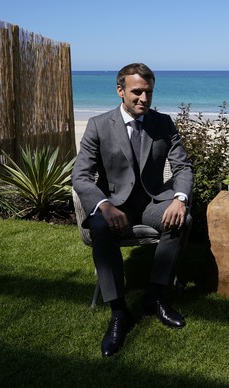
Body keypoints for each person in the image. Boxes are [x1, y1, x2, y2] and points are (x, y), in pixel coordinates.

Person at [71, 63, 194, 357]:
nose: (144, 99)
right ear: (120, 91)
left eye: (148, 92)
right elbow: (80, 176)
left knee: (182, 219)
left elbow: (183, 167)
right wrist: (104, 205)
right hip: (115, 205)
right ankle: (118, 311)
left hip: (152, 202)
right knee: (100, 227)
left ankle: (155, 296)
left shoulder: (163, 123)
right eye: (137, 92)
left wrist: (179, 198)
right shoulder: (99, 125)